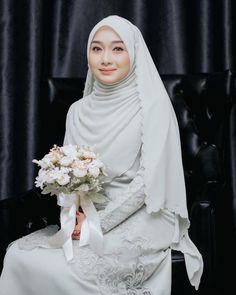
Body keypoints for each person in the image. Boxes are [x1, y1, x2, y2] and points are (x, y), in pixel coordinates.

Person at [0, 15, 203, 295]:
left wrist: (98, 224)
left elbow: (147, 183)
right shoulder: (77, 111)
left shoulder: (152, 108)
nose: (106, 58)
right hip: (89, 213)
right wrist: (73, 216)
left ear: (133, 54)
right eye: (97, 49)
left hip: (144, 215)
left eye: (118, 49)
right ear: (88, 56)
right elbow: (66, 176)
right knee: (19, 257)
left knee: (75, 269)